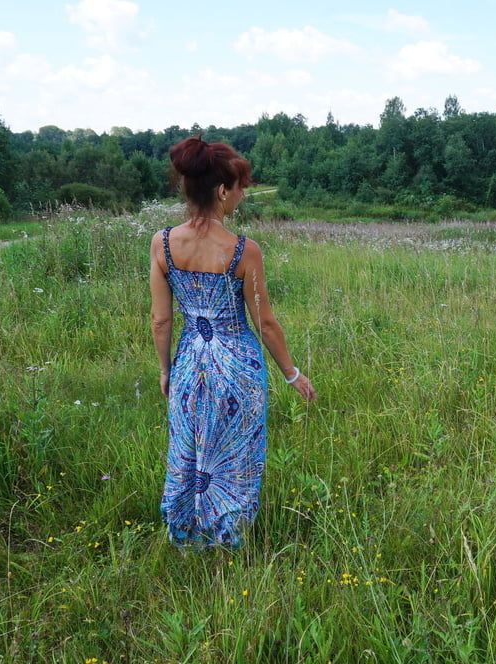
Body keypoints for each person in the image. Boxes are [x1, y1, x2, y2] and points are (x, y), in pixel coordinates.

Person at [149, 136, 315, 551]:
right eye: (240, 187)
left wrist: (167, 370)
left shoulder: (163, 243)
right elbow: (267, 324)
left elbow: (161, 319)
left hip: (190, 362)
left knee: (190, 448)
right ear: (222, 190)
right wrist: (291, 373)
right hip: (238, 366)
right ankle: (228, 537)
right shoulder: (244, 250)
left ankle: (185, 534)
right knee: (235, 452)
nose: (242, 195)